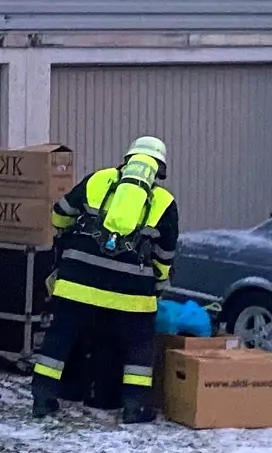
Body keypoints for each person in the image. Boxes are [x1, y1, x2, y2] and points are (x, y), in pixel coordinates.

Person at [31, 136, 179, 425]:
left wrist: (70, 237)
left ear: (127, 159)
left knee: (61, 336)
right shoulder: (164, 201)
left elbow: (60, 214)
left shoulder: (98, 180)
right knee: (139, 345)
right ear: (159, 169)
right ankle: (134, 407)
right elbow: (165, 253)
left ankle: (42, 398)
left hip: (77, 282)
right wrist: (158, 282)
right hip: (132, 292)